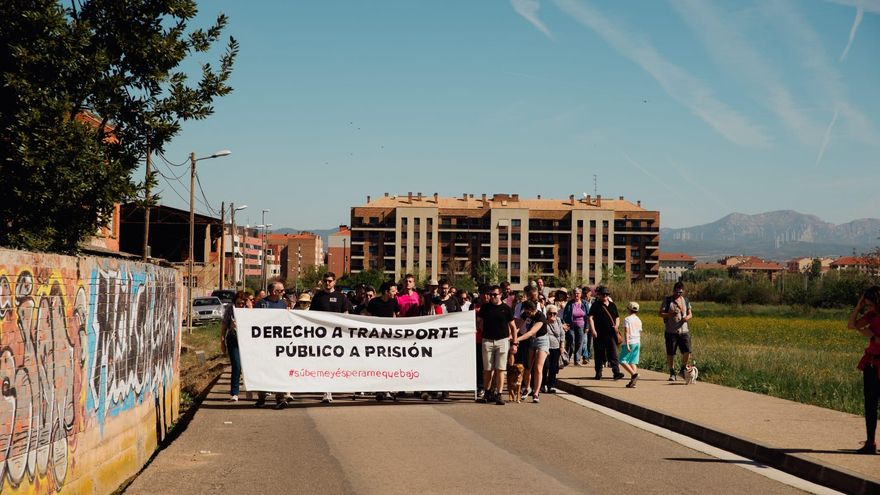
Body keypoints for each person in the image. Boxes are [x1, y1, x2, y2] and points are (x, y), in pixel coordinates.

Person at [309, 272, 353, 403]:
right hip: (322, 336)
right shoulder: (318, 297)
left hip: (337, 336)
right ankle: (327, 391)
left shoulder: (341, 297)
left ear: (334, 282)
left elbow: (346, 315)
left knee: (335, 363)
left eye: (329, 281)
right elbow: (311, 316)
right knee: (324, 363)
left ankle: (334, 387)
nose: (327, 283)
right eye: (325, 281)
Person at [848, 286, 880, 455]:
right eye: (866, 304)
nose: (868, 308)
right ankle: (870, 442)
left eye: (870, 304)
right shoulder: (871, 315)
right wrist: (858, 306)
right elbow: (851, 325)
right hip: (871, 365)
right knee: (870, 405)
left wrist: (872, 336)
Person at [477, 285, 517, 405]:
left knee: (500, 369)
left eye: (494, 294)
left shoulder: (506, 309)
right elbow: (479, 322)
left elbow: (513, 327)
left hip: (502, 341)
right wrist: (481, 330)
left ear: (500, 295)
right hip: (487, 340)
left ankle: (499, 394)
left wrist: (514, 343)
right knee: (487, 369)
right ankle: (487, 392)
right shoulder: (485, 308)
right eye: (490, 294)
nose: (492, 297)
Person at [255, 282, 290, 409]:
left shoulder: (283, 304)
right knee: (264, 371)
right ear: (274, 292)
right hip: (264, 345)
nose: (283, 293)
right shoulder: (261, 304)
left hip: (279, 345)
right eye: (281, 291)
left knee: (279, 371)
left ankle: (280, 398)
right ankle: (261, 398)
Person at [588, 286, 624, 381]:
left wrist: (617, 326)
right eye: (603, 294)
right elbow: (590, 318)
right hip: (599, 333)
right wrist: (593, 330)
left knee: (613, 353)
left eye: (606, 294)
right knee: (599, 354)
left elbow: (617, 317)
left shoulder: (612, 305)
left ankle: (616, 372)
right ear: (599, 295)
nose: (604, 296)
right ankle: (598, 373)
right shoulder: (595, 305)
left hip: (611, 333)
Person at [220, 291, 251, 402]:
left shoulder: (249, 311)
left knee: (248, 367)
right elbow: (224, 327)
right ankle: (234, 393)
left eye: (243, 304)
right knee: (237, 366)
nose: (241, 306)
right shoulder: (230, 310)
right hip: (233, 340)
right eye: (238, 303)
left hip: (247, 341)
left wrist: (250, 308)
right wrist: (222, 342)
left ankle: (249, 390)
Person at [660, 281, 693, 381]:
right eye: (677, 292)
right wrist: (670, 314)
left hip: (684, 331)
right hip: (671, 331)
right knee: (671, 353)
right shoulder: (667, 300)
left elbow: (690, 313)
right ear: (673, 290)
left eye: (680, 293)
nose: (678, 294)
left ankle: (683, 368)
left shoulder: (686, 300)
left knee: (687, 351)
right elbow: (660, 313)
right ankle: (672, 372)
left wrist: (687, 317)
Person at [518, 301, 548, 403]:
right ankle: (527, 388)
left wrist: (517, 339)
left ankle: (536, 393)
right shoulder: (525, 314)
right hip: (530, 341)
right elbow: (518, 326)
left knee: (538, 368)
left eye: (529, 312)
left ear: (534, 310)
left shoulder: (541, 317)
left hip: (541, 340)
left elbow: (531, 332)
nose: (527, 314)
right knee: (527, 367)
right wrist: (511, 335)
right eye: (526, 312)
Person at [561, 287, 590, 367]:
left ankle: (577, 360)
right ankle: (567, 358)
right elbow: (565, 315)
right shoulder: (570, 303)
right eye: (575, 293)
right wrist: (565, 324)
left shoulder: (584, 303)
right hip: (571, 325)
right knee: (571, 342)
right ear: (573, 294)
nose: (576, 295)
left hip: (581, 325)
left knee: (580, 343)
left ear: (580, 294)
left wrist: (587, 326)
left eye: (578, 293)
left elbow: (587, 316)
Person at [542, 304, 565, 394]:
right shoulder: (544, 321)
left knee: (554, 367)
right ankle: (542, 384)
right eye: (550, 313)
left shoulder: (558, 321)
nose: (552, 315)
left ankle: (551, 385)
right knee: (545, 366)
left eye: (554, 313)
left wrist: (562, 346)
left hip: (556, 347)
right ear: (547, 314)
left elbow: (562, 334)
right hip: (546, 347)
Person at [619, 302, 643, 388]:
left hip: (631, 342)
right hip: (637, 342)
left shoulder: (627, 319)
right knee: (633, 361)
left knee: (622, 360)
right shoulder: (638, 320)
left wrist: (627, 344)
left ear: (629, 309)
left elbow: (626, 332)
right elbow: (639, 331)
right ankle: (633, 382)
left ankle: (634, 374)